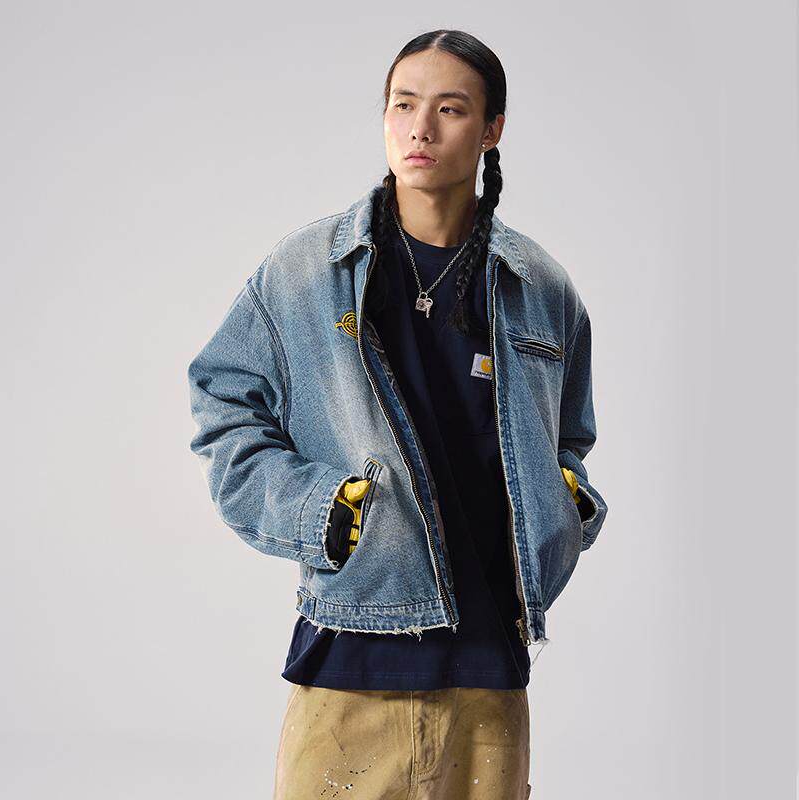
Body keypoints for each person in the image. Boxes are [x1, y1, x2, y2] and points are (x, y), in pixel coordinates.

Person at [187, 28, 608, 800]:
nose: (420, 129)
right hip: (350, 661)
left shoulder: (541, 288)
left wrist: (566, 501)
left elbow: (567, 439)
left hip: (490, 677)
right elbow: (224, 409)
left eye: (450, 109)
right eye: (403, 105)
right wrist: (320, 512)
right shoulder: (306, 273)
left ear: (492, 130)